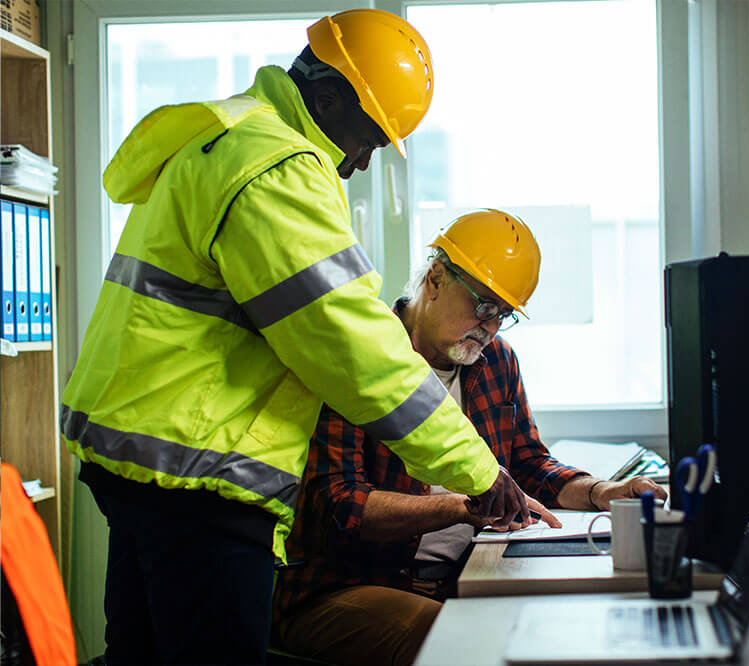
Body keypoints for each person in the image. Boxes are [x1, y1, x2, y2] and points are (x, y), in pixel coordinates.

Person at [59, 12, 528, 665]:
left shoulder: (231, 136)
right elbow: (354, 348)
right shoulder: (276, 165)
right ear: (331, 97)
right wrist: (478, 473)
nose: (360, 164)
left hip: (146, 462)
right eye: (367, 140)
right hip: (202, 474)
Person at [272, 209, 668, 666]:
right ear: (436, 279)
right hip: (346, 586)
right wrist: (466, 507)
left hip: (465, 577)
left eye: (503, 315)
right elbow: (339, 507)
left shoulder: (496, 360)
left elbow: (529, 466)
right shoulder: (360, 359)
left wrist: (603, 491)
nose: (491, 326)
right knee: (461, 643)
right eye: (484, 306)